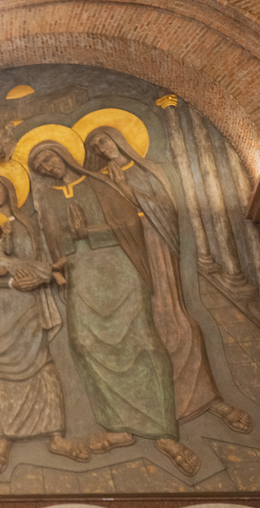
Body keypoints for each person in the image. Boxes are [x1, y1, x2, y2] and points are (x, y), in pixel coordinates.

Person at [28, 141, 199, 475]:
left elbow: (129, 225)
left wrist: (87, 231)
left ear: (63, 154)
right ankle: (118, 426)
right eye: (39, 166)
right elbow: (53, 242)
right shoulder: (46, 199)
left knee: (144, 344)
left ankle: (165, 434)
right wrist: (60, 260)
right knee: (85, 344)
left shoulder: (98, 183)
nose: (46, 166)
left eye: (48, 157)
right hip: (80, 272)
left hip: (119, 267)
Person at [83, 125, 251, 434]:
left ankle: (208, 400)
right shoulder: (100, 181)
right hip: (124, 259)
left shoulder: (149, 169)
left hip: (157, 247)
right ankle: (157, 411)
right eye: (93, 146)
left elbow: (170, 210)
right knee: (142, 334)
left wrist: (134, 196)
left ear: (117, 137)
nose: (100, 147)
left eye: (103, 139)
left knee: (175, 321)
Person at [0, 175, 86, 474]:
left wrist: (40, 277)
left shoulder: (28, 224)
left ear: (8, 187)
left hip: (27, 306)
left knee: (40, 364)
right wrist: (10, 283)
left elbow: (38, 258)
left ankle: (56, 436)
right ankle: (2, 439)